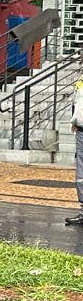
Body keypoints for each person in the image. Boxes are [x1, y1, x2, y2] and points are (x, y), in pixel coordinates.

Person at [69, 79, 83, 227]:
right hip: (81, 130)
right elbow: (77, 104)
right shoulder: (81, 81)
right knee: (81, 174)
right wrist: (74, 122)